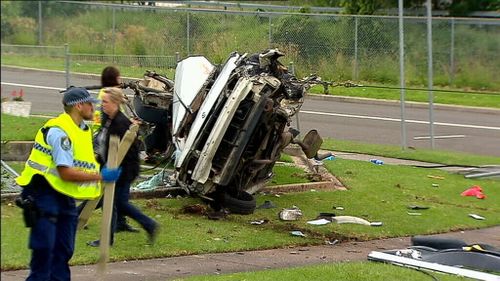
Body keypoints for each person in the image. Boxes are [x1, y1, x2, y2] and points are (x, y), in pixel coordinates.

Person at [15, 87, 122, 281]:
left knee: (63, 250)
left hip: (63, 196)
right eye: (90, 103)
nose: (94, 108)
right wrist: (101, 176)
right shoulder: (59, 132)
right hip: (42, 193)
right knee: (44, 253)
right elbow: (65, 172)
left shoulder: (82, 130)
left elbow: (81, 162)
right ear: (79, 106)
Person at [87, 87, 159, 247]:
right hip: (112, 169)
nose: (102, 105)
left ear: (114, 103)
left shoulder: (120, 123)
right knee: (112, 204)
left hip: (122, 171)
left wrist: (116, 170)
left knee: (118, 204)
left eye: (105, 102)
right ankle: (110, 238)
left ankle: (149, 224)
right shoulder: (110, 119)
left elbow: (129, 152)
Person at [90, 65, 139, 233]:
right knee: (109, 191)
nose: (121, 79)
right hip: (108, 144)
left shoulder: (109, 94)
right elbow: (109, 120)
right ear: (114, 79)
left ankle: (119, 222)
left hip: (108, 141)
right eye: (119, 77)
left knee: (114, 190)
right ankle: (77, 215)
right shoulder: (108, 96)